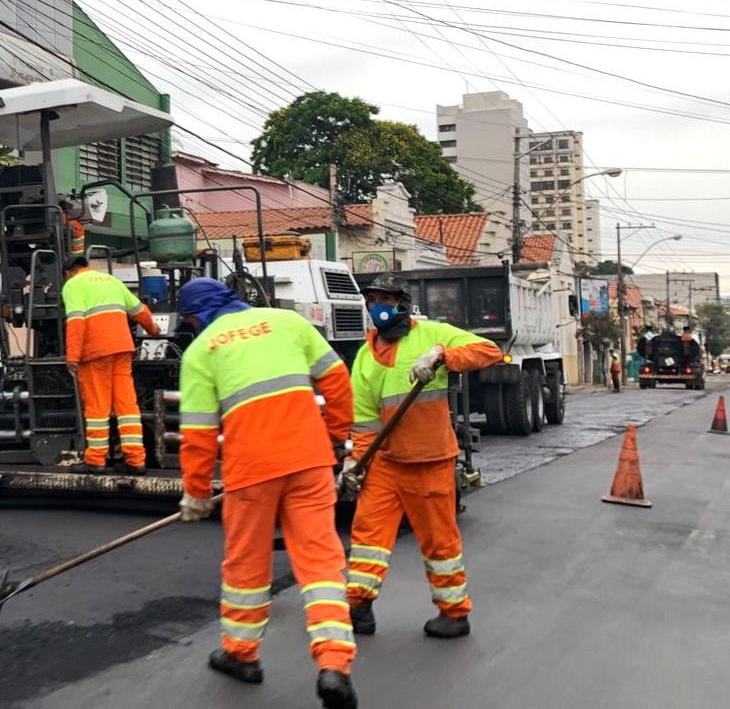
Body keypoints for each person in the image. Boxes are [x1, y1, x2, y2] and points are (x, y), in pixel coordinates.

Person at [176, 277, 359, 709]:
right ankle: (334, 666)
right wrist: (332, 436)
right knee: (321, 566)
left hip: (251, 472)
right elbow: (337, 382)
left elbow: (199, 434)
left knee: (246, 566)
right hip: (309, 460)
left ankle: (242, 656)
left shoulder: (202, 351)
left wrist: (197, 491)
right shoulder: (287, 322)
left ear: (196, 315)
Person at [344, 272, 502, 640]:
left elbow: (488, 351)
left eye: (384, 299)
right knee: (368, 536)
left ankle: (454, 613)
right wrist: (356, 462)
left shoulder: (432, 334)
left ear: (402, 302)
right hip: (385, 463)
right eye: (371, 300)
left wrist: (442, 356)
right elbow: (365, 423)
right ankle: (358, 606)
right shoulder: (365, 357)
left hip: (429, 461)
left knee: (439, 542)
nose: (377, 307)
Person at [61, 256, 159, 475]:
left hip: (96, 352)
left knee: (97, 407)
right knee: (127, 406)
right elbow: (139, 310)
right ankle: (136, 459)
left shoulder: (73, 285)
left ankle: (95, 460)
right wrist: (153, 330)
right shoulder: (111, 280)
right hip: (122, 348)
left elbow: (76, 322)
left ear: (68, 272)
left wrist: (72, 358)